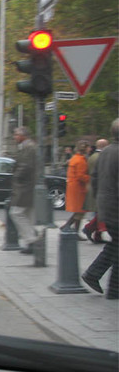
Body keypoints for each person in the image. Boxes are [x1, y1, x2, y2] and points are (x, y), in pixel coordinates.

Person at [82, 119, 118, 300]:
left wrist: (99, 200)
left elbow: (94, 179)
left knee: (115, 245)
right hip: (116, 208)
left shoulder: (106, 152)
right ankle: (114, 289)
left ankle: (93, 274)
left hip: (106, 206)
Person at [9, 127, 41, 255]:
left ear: (23, 135)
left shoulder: (28, 147)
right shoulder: (29, 146)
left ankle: (32, 239)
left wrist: (16, 176)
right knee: (27, 214)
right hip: (28, 186)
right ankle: (30, 242)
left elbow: (25, 166)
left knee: (15, 213)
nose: (14, 137)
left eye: (16, 134)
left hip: (25, 187)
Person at [60, 140, 90, 238]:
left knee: (79, 211)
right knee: (80, 210)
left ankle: (73, 230)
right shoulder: (81, 160)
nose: (90, 149)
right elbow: (81, 176)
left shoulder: (75, 158)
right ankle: (68, 227)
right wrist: (90, 178)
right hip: (78, 188)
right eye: (88, 147)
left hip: (74, 187)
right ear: (84, 148)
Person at [82, 139, 109, 243]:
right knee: (103, 212)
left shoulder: (92, 157)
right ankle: (90, 229)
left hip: (93, 185)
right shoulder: (103, 157)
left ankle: (96, 233)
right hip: (101, 187)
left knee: (101, 212)